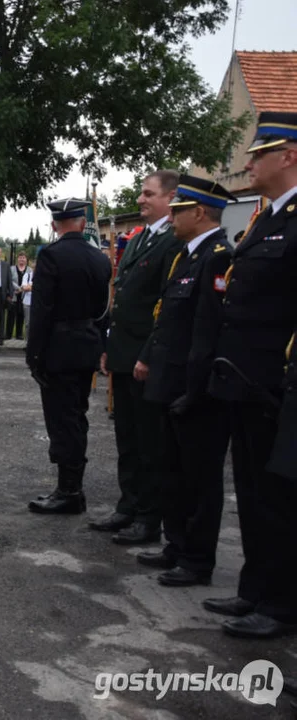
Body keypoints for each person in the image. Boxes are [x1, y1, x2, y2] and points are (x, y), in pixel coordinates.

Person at [205, 112, 297, 639]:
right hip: (244, 379)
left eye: (259, 153)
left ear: (288, 156)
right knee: (254, 492)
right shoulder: (265, 218)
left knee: (279, 498)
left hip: (274, 383)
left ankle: (281, 604)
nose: (248, 162)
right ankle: (255, 588)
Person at [133, 175, 235, 589]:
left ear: (198, 212)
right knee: (172, 472)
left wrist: (195, 390)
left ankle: (197, 559)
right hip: (170, 384)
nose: (171, 217)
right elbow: (168, 318)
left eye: (178, 210)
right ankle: (176, 545)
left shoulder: (218, 257)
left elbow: (209, 331)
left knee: (199, 478)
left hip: (195, 389)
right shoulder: (185, 258)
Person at [91, 170, 183, 544]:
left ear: (171, 198)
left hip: (148, 359)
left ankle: (149, 517)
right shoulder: (139, 239)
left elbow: (165, 306)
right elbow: (124, 296)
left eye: (148, 194)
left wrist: (146, 354)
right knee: (126, 437)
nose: (141, 199)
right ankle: (128, 506)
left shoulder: (174, 241)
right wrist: (109, 347)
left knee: (150, 442)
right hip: (124, 355)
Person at [25, 199, 112, 515]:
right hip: (86, 344)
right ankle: (72, 486)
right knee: (77, 416)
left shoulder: (51, 255)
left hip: (58, 348)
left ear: (54, 225)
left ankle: (69, 491)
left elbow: (43, 309)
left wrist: (33, 355)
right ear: (81, 222)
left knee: (62, 421)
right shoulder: (99, 258)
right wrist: (100, 344)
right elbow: (103, 310)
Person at [7, 252, 30, 340]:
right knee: (11, 315)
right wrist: (19, 288)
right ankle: (8, 334)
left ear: (26, 260)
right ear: (17, 259)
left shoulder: (29, 270)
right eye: (20, 258)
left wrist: (22, 289)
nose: (22, 259)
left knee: (21, 315)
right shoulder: (11, 268)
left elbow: (30, 281)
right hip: (14, 294)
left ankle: (19, 334)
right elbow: (9, 280)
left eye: (23, 258)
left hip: (24, 296)